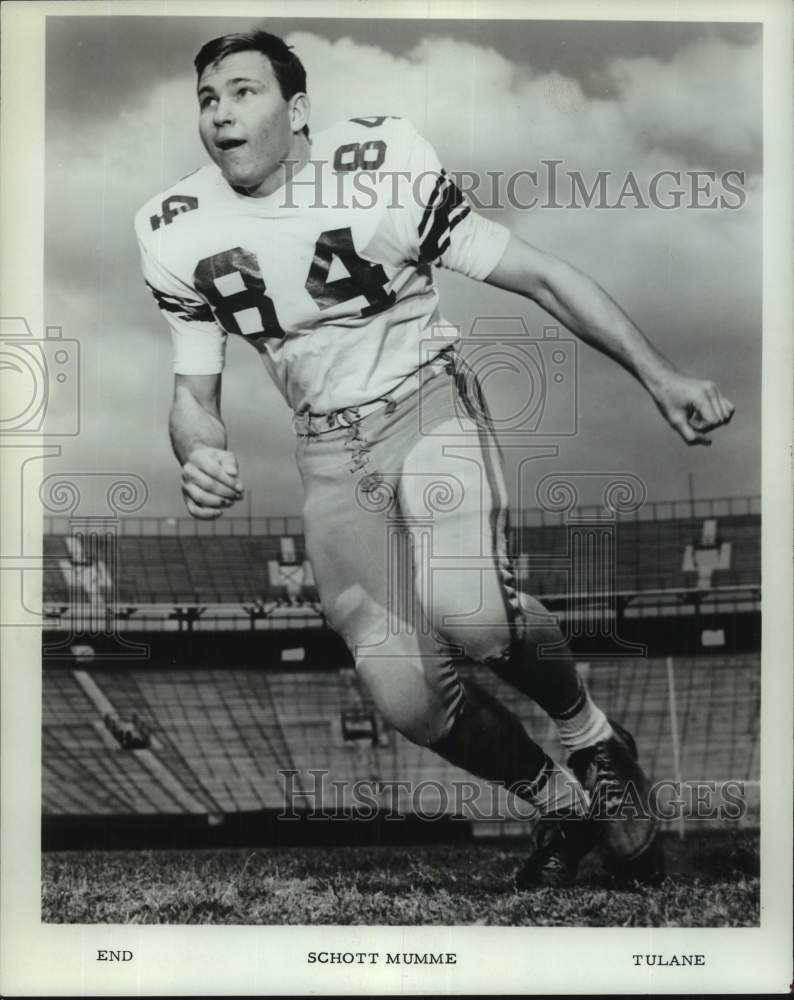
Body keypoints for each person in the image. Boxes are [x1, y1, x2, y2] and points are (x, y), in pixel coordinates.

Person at [135, 29, 734, 887]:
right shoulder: (173, 227)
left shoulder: (380, 166)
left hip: (426, 401)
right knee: (403, 695)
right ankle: (564, 810)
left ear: (297, 110)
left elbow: (538, 274)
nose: (220, 113)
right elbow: (195, 393)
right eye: (207, 97)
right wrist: (198, 452)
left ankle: (596, 740)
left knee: (473, 612)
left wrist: (660, 375)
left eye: (242, 91)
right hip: (326, 452)